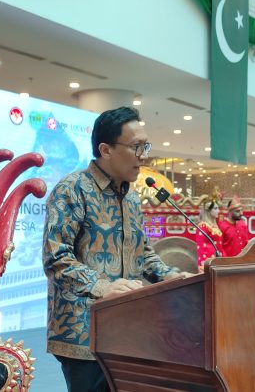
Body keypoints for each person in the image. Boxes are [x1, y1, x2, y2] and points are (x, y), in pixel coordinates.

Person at [43, 106, 187, 392]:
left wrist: (170, 276)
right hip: (82, 332)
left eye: (145, 146)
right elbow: (56, 258)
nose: (144, 156)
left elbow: (142, 251)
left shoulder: (131, 198)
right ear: (105, 150)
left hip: (127, 330)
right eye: (136, 147)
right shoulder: (72, 189)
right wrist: (102, 287)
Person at [196, 198, 224, 266]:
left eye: (218, 208)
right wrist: (204, 264)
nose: (218, 211)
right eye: (215, 208)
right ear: (208, 211)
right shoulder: (203, 226)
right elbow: (201, 247)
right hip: (208, 262)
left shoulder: (215, 226)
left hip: (217, 261)